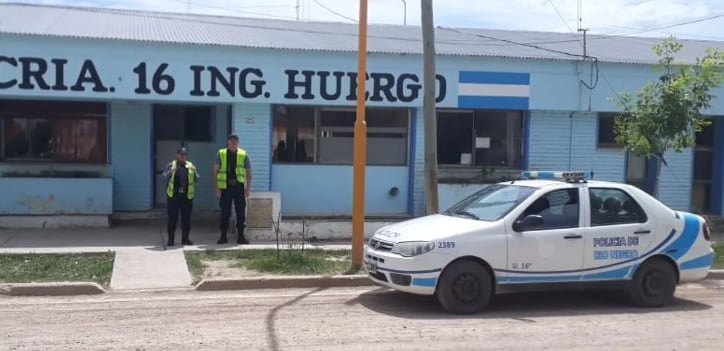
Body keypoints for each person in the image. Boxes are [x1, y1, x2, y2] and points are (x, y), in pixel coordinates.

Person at [214, 134, 252, 244]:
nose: (234, 143)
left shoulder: (243, 154)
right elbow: (215, 171)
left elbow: (249, 172)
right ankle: (223, 236)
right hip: (225, 187)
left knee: (240, 212)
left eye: (236, 141)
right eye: (232, 141)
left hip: (238, 186)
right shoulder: (221, 154)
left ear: (238, 142)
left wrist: (248, 188)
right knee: (225, 211)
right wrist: (217, 188)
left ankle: (241, 236)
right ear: (228, 142)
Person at [163, 147, 199, 247]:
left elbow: (197, 179)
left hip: (187, 197)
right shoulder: (171, 165)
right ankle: (171, 240)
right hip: (174, 197)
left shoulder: (190, 165)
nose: (183, 156)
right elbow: (163, 177)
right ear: (177, 155)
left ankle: (186, 239)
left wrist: (195, 171)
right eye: (181, 154)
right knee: (172, 219)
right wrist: (170, 172)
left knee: (186, 219)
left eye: (184, 155)